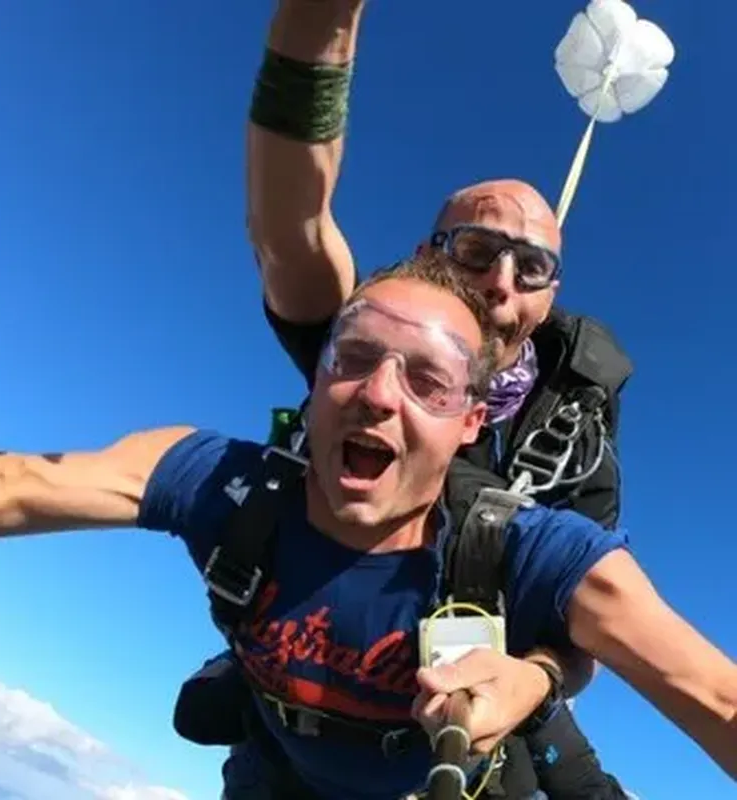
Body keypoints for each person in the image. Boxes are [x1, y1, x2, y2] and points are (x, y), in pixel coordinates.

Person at [0, 255, 735, 800]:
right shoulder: (227, 486)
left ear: (469, 422)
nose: (379, 395)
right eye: (353, 359)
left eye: (428, 380)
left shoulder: (526, 551)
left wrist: (535, 676)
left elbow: (718, 699)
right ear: (315, 383)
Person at [228, 1, 635, 796]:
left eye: (532, 268)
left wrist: (537, 678)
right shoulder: (366, 342)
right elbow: (291, 230)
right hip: (312, 691)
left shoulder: (576, 434)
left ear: (552, 297)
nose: (500, 282)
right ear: (428, 255)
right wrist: (315, 33)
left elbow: (586, 623)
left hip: (478, 700)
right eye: (477, 250)